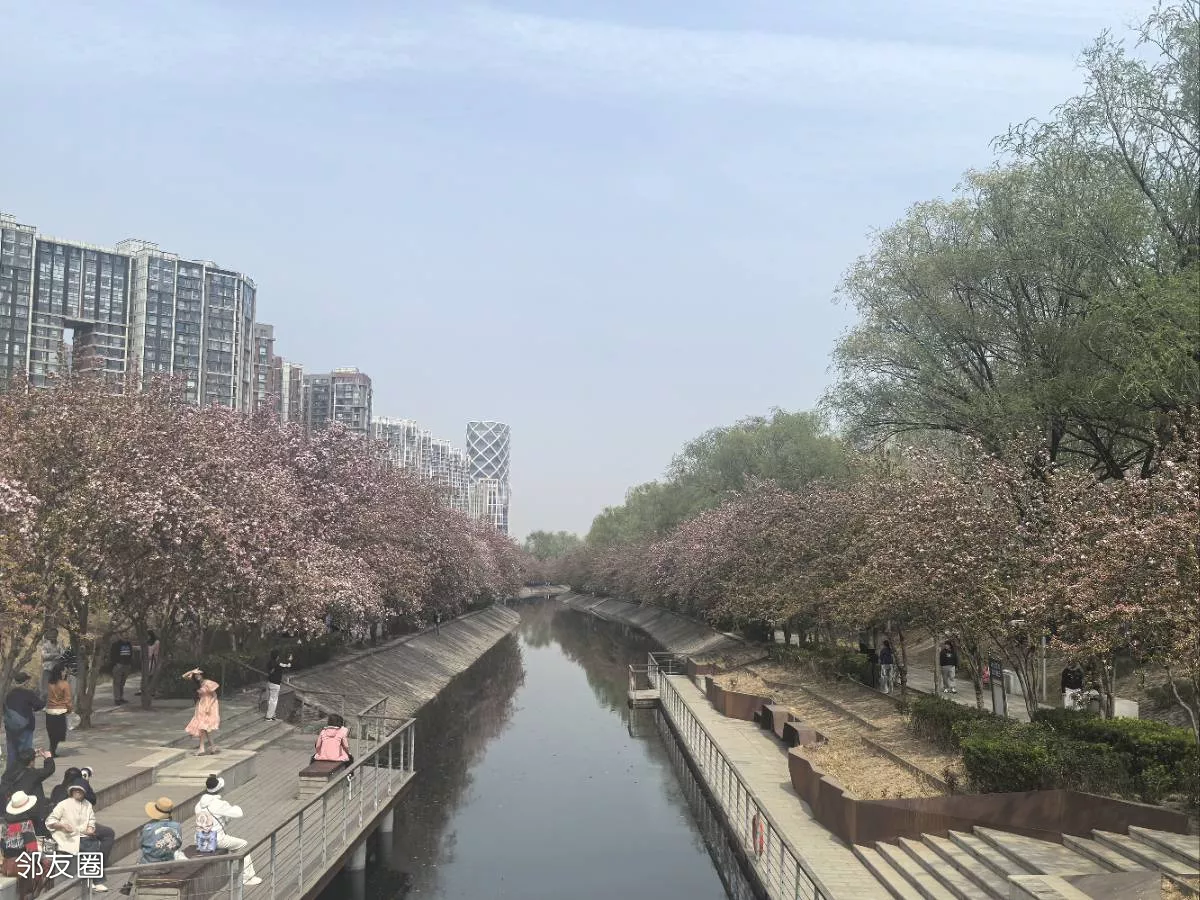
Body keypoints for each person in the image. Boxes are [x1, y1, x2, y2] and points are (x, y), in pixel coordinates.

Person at [194, 775, 262, 886]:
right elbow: (239, 813)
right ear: (219, 789)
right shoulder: (219, 804)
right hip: (216, 840)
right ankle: (248, 877)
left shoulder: (198, 805)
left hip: (201, 840)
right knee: (243, 845)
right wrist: (232, 807)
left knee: (231, 843)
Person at [46, 780, 109, 892]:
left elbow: (91, 820)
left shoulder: (87, 804)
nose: (78, 792)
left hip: (83, 834)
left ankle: (95, 880)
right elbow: (50, 821)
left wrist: (90, 828)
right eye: (76, 790)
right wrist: (62, 825)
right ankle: (92, 880)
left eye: (80, 791)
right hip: (67, 836)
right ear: (72, 791)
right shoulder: (63, 804)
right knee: (88, 846)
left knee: (93, 845)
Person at [2, 790, 49, 896]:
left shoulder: (4, 823)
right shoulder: (25, 824)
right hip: (22, 865)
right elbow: (32, 850)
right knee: (47, 864)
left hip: (7, 865)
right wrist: (43, 857)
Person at [2, 749, 55, 834]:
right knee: (33, 833)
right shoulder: (33, 774)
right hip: (29, 812)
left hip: (13, 809)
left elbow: (17, 763)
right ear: (31, 762)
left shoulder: (10, 773)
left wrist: (29, 754)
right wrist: (48, 758)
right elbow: (49, 769)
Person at [3, 676, 44, 776]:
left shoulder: (9, 694)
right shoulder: (28, 693)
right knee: (25, 753)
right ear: (25, 682)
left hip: (10, 728)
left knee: (12, 753)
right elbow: (40, 704)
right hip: (26, 727)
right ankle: (24, 776)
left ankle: (10, 776)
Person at [183, 670, 220, 756]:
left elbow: (214, 695)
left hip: (209, 705)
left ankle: (202, 748)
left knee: (202, 726)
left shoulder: (207, 682)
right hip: (201, 705)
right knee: (204, 727)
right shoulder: (197, 684)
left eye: (199, 675)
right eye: (196, 676)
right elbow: (184, 676)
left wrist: (209, 706)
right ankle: (212, 746)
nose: (197, 676)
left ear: (202, 675)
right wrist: (192, 671)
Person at [44, 665, 72, 758]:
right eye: (64, 671)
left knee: (52, 733)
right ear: (60, 672)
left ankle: (52, 750)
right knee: (59, 733)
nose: (65, 673)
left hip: (49, 711)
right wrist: (69, 709)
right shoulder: (65, 684)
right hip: (60, 711)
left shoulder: (49, 684)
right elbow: (68, 699)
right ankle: (52, 750)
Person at [265, 650, 291, 722]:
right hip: (275, 684)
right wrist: (289, 661)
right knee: (273, 701)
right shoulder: (278, 664)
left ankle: (273, 715)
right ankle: (269, 717)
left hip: (269, 683)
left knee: (269, 700)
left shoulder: (269, 663)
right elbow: (286, 666)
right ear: (277, 657)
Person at [109, 634, 134, 705]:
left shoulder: (129, 644)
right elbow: (112, 655)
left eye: (127, 636)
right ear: (120, 637)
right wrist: (116, 663)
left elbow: (130, 654)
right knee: (117, 682)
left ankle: (121, 697)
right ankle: (117, 699)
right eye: (124, 636)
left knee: (122, 683)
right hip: (119, 665)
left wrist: (130, 664)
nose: (126, 638)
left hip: (127, 665)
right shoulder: (116, 644)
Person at [135, 631, 161, 698]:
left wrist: (151, 656)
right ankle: (143, 690)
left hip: (152, 661)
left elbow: (155, 652)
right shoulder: (147, 642)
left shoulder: (156, 642)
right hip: (146, 661)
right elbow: (141, 647)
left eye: (148, 635)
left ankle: (152, 691)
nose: (147, 637)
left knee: (151, 676)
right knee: (145, 675)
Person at [39, 631, 63, 697]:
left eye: (54, 635)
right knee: (44, 691)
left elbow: (63, 655)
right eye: (51, 635)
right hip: (47, 669)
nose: (53, 637)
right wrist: (55, 655)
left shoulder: (60, 645)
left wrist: (51, 656)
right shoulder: (45, 645)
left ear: (56, 636)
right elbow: (44, 656)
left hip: (57, 669)